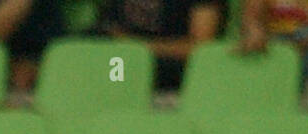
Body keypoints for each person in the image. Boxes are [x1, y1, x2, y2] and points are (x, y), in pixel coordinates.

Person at [94, 0, 226, 93]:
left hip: (174, 80)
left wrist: (137, 47)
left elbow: (201, 48)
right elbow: (108, 31)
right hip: (117, 69)